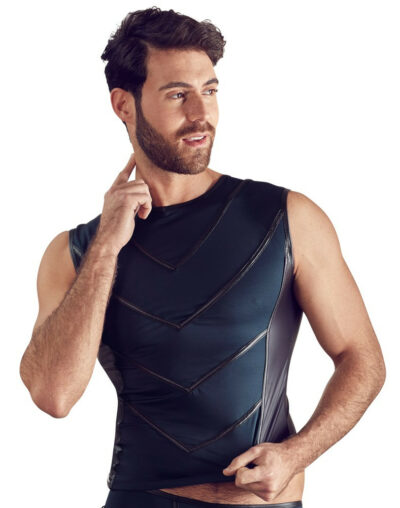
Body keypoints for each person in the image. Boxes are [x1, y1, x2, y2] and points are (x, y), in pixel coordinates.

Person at [19, 7, 386, 508]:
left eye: (209, 91)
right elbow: (53, 395)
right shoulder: (75, 251)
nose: (200, 115)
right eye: (177, 95)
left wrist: (297, 454)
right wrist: (106, 246)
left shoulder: (286, 218)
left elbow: (362, 359)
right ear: (124, 105)